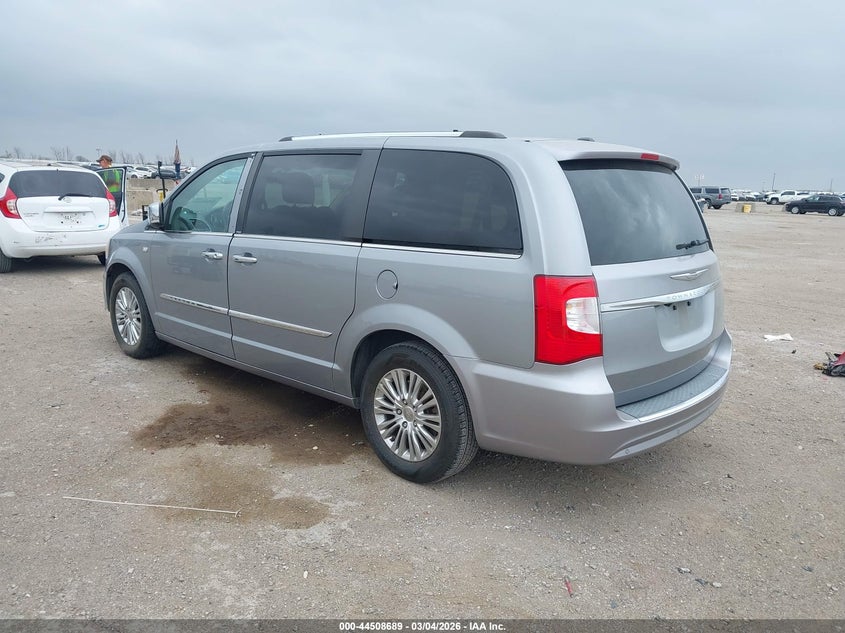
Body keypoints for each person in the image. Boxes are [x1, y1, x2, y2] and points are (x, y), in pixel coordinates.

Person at [97, 154, 123, 218]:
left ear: (105, 161)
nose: (100, 164)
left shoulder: (108, 171)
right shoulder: (115, 170)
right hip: (116, 194)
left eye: (100, 162)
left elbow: (107, 184)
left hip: (109, 196)